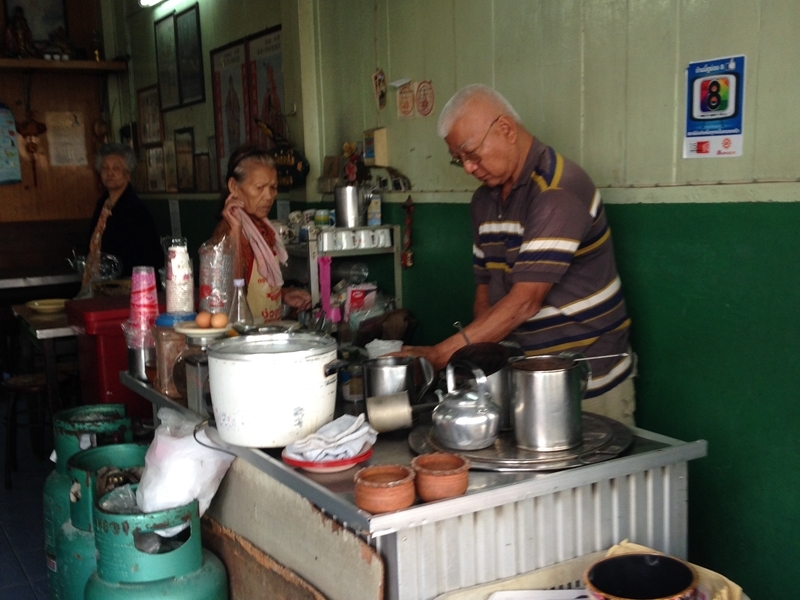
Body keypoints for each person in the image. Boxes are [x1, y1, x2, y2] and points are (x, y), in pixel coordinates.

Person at [399, 84, 636, 425]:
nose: (468, 167)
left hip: (587, 386)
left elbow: (526, 301)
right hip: (527, 383)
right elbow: (485, 290)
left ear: (506, 130)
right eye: (459, 160)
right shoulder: (484, 201)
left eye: (472, 153)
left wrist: (439, 355)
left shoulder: (558, 189)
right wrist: (481, 359)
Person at [212, 146, 311, 323]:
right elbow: (231, 293)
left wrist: (283, 295)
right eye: (260, 188)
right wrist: (235, 231)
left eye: (273, 187)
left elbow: (258, 286)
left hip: (266, 333)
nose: (269, 196)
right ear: (234, 186)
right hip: (243, 338)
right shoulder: (228, 230)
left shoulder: (262, 228)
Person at [82, 143, 163, 289]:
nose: (110, 173)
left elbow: (142, 258)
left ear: (128, 173)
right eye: (105, 168)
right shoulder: (103, 205)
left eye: (116, 168)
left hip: (126, 287)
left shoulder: (135, 210)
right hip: (99, 284)